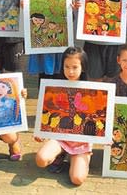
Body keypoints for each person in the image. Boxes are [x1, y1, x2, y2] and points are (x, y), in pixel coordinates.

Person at [35, 47, 94, 186]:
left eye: (75, 67)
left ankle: (77, 158)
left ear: (83, 67)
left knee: (77, 179)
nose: (70, 71)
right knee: (41, 160)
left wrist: (105, 136)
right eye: (66, 67)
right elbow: (48, 113)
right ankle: (61, 153)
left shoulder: (92, 91)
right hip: (60, 137)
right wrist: (40, 131)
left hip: (81, 141)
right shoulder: (54, 88)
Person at [27, 0, 67, 82]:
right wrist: (25, 7)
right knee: (44, 74)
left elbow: (70, 21)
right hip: (42, 45)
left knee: (60, 74)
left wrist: (72, 9)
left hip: (59, 43)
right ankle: (42, 98)